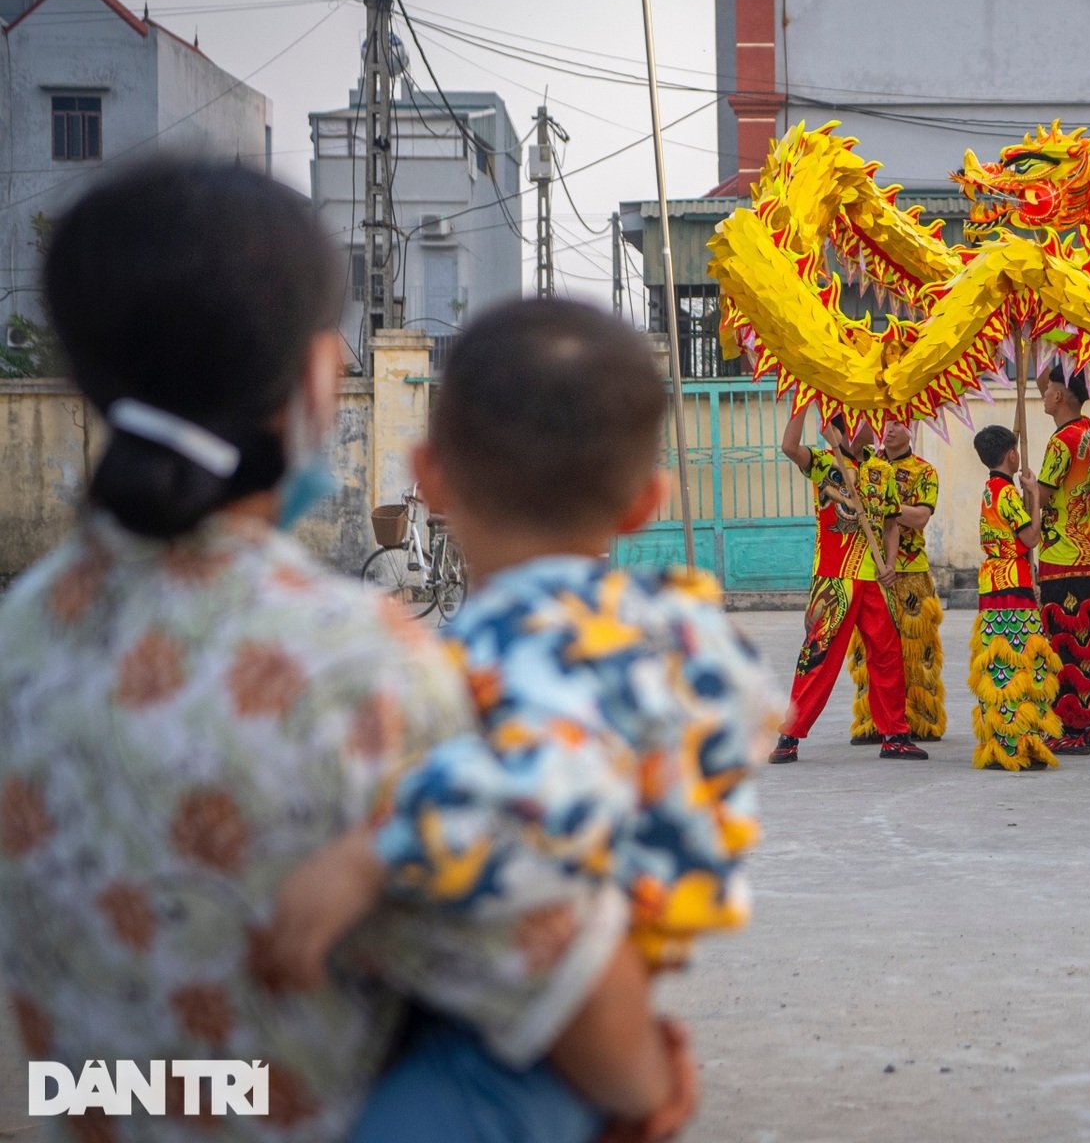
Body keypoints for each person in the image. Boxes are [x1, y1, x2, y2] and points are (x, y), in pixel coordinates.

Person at [0, 160, 681, 1142]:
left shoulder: (20, 637)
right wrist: (643, 1081)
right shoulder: (361, 663)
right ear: (321, 377)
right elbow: (593, 1024)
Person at [261, 300, 781, 1140]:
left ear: (428, 477)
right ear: (647, 502)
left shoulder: (528, 638)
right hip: (613, 975)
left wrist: (372, 856)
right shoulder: (670, 626)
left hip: (503, 1052)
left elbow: (548, 779)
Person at [770, 412, 925, 763]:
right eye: (869, 421)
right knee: (819, 657)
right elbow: (789, 446)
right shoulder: (825, 464)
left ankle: (895, 735)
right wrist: (799, 405)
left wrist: (888, 564)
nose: (879, 427)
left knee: (887, 656)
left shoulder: (882, 470)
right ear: (848, 429)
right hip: (834, 577)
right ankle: (789, 735)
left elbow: (890, 524)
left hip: (874, 579)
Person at [968, 425, 1063, 770]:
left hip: (991, 582)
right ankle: (1018, 743)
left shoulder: (988, 491)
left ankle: (1002, 742)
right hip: (1013, 583)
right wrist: (1035, 495)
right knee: (1022, 663)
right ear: (1011, 455)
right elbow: (1031, 537)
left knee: (997, 666)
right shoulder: (1007, 494)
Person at [849, 419, 946, 744]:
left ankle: (920, 719)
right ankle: (872, 720)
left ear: (912, 427)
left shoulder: (924, 471)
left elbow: (920, 517)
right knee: (871, 648)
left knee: (916, 649)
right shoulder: (867, 467)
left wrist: (883, 507)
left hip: (911, 572)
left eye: (896, 423)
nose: (888, 429)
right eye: (883, 423)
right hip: (871, 570)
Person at [1034, 362, 1090, 754]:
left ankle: (1072, 730)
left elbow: (1044, 495)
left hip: (1061, 555)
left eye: (1048, 390)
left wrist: (1028, 486)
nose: (1043, 393)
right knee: (1086, 646)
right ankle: (1087, 725)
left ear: (1060, 396)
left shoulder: (1061, 442)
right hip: (1087, 551)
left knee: (1063, 647)